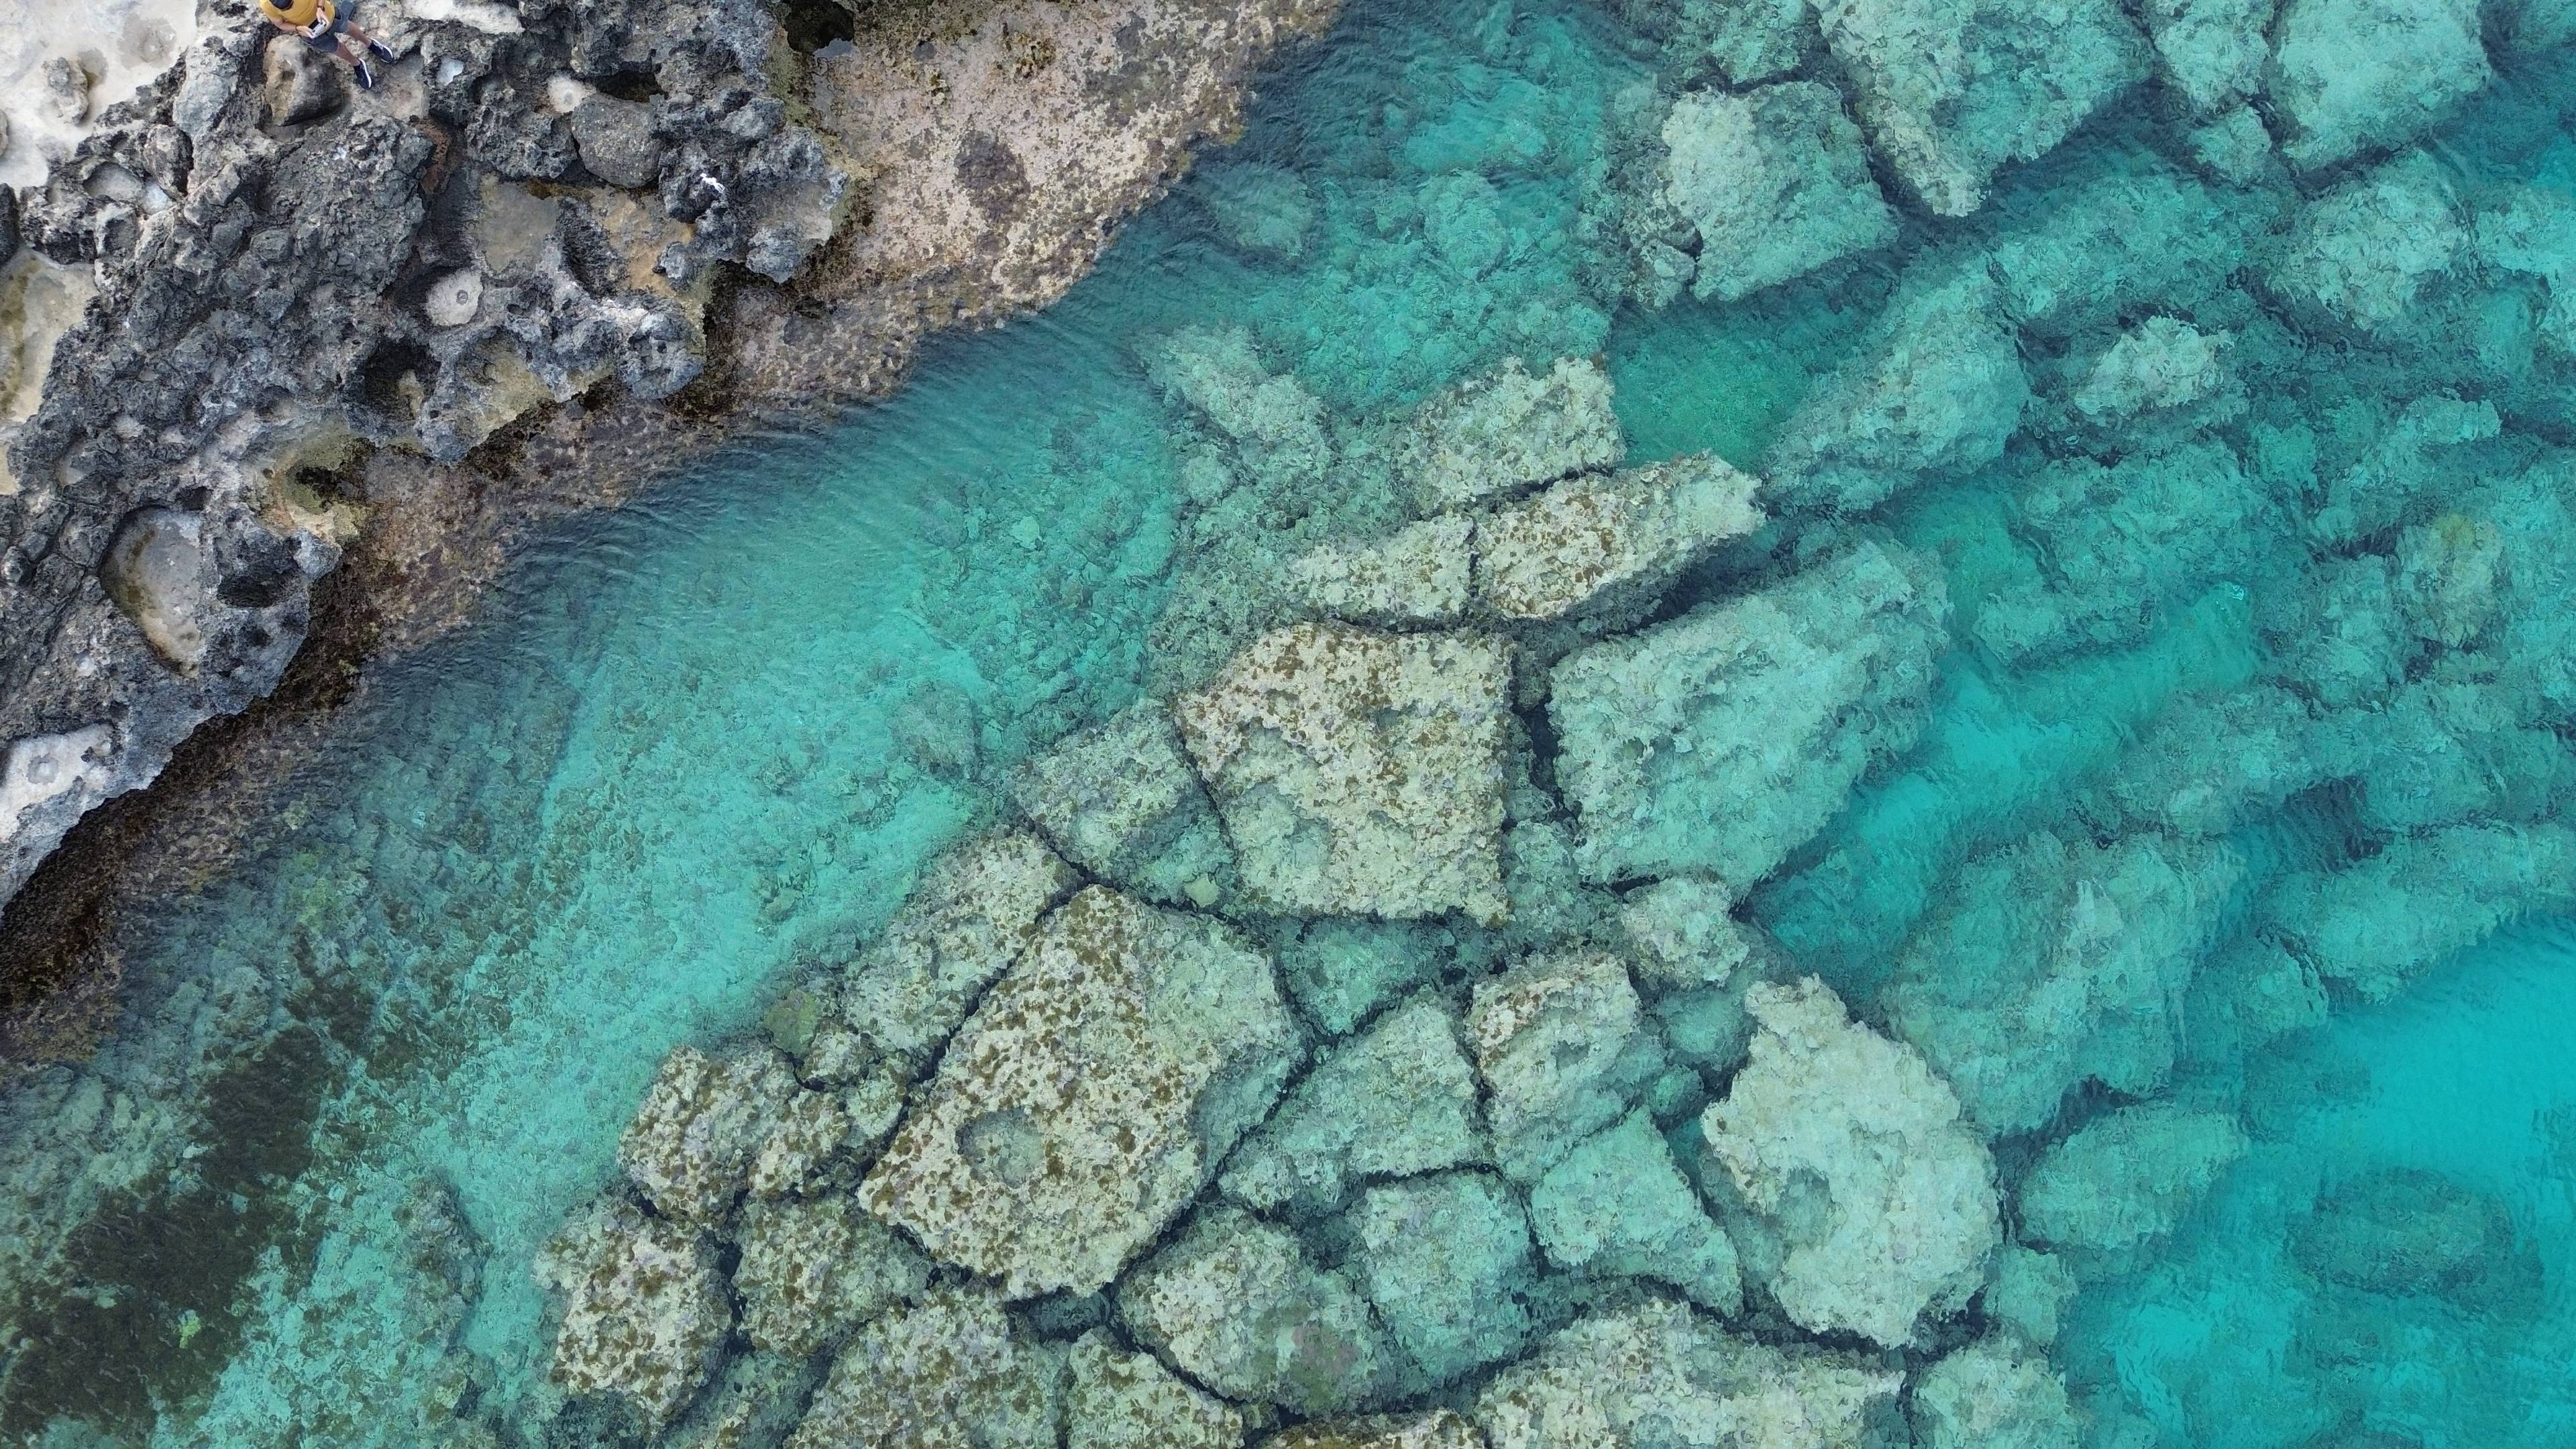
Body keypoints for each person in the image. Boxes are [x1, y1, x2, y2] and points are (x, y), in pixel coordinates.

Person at [256, 0, 396, 90]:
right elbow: (280, 23)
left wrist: (320, 7)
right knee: (335, 48)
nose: (290, 7)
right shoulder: (266, 5)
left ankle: (371, 44)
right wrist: (298, 29)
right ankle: (357, 64)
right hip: (310, 32)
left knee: (346, 27)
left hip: (328, 14)